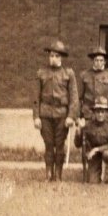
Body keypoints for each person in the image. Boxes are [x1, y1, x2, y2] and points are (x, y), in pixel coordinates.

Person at [33, 40, 79, 182]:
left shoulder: (68, 74)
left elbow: (74, 96)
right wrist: (36, 117)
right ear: (49, 56)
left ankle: (58, 175)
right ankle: (48, 174)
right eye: (52, 55)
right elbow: (36, 97)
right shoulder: (41, 73)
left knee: (59, 145)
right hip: (45, 113)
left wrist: (71, 116)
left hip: (61, 115)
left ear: (61, 58)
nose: (54, 58)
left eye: (57, 56)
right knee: (48, 144)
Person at [73, 96, 108, 183]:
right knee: (92, 181)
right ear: (94, 112)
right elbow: (77, 144)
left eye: (102, 111)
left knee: (107, 154)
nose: (100, 114)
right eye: (98, 111)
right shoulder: (88, 125)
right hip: (94, 156)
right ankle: (97, 172)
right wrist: (79, 130)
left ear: (106, 113)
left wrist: (97, 149)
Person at [78, 46, 108, 126]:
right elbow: (79, 97)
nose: (99, 63)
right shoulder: (84, 75)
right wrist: (79, 116)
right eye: (96, 60)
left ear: (105, 62)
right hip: (88, 115)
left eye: (101, 60)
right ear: (93, 61)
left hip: (105, 115)